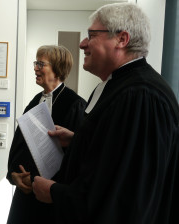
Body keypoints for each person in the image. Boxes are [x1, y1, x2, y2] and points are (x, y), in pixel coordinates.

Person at [32, 3, 179, 224]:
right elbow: (116, 155)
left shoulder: (141, 96)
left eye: (91, 35)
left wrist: (55, 193)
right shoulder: (118, 86)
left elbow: (125, 196)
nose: (82, 44)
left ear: (122, 39)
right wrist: (79, 140)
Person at [6, 45, 86, 223]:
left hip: (52, 199)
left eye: (41, 64)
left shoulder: (75, 104)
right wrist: (14, 175)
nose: (35, 68)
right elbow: (19, 144)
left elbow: (77, 158)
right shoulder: (35, 102)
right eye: (36, 63)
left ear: (57, 69)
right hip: (25, 195)